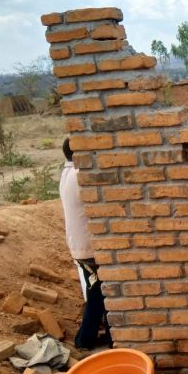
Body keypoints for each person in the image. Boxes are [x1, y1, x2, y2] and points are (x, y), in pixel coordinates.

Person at [59, 138, 111, 350]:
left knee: (96, 290)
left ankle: (101, 335)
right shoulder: (80, 176)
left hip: (80, 245)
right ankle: (85, 339)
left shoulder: (67, 173)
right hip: (88, 247)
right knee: (99, 292)